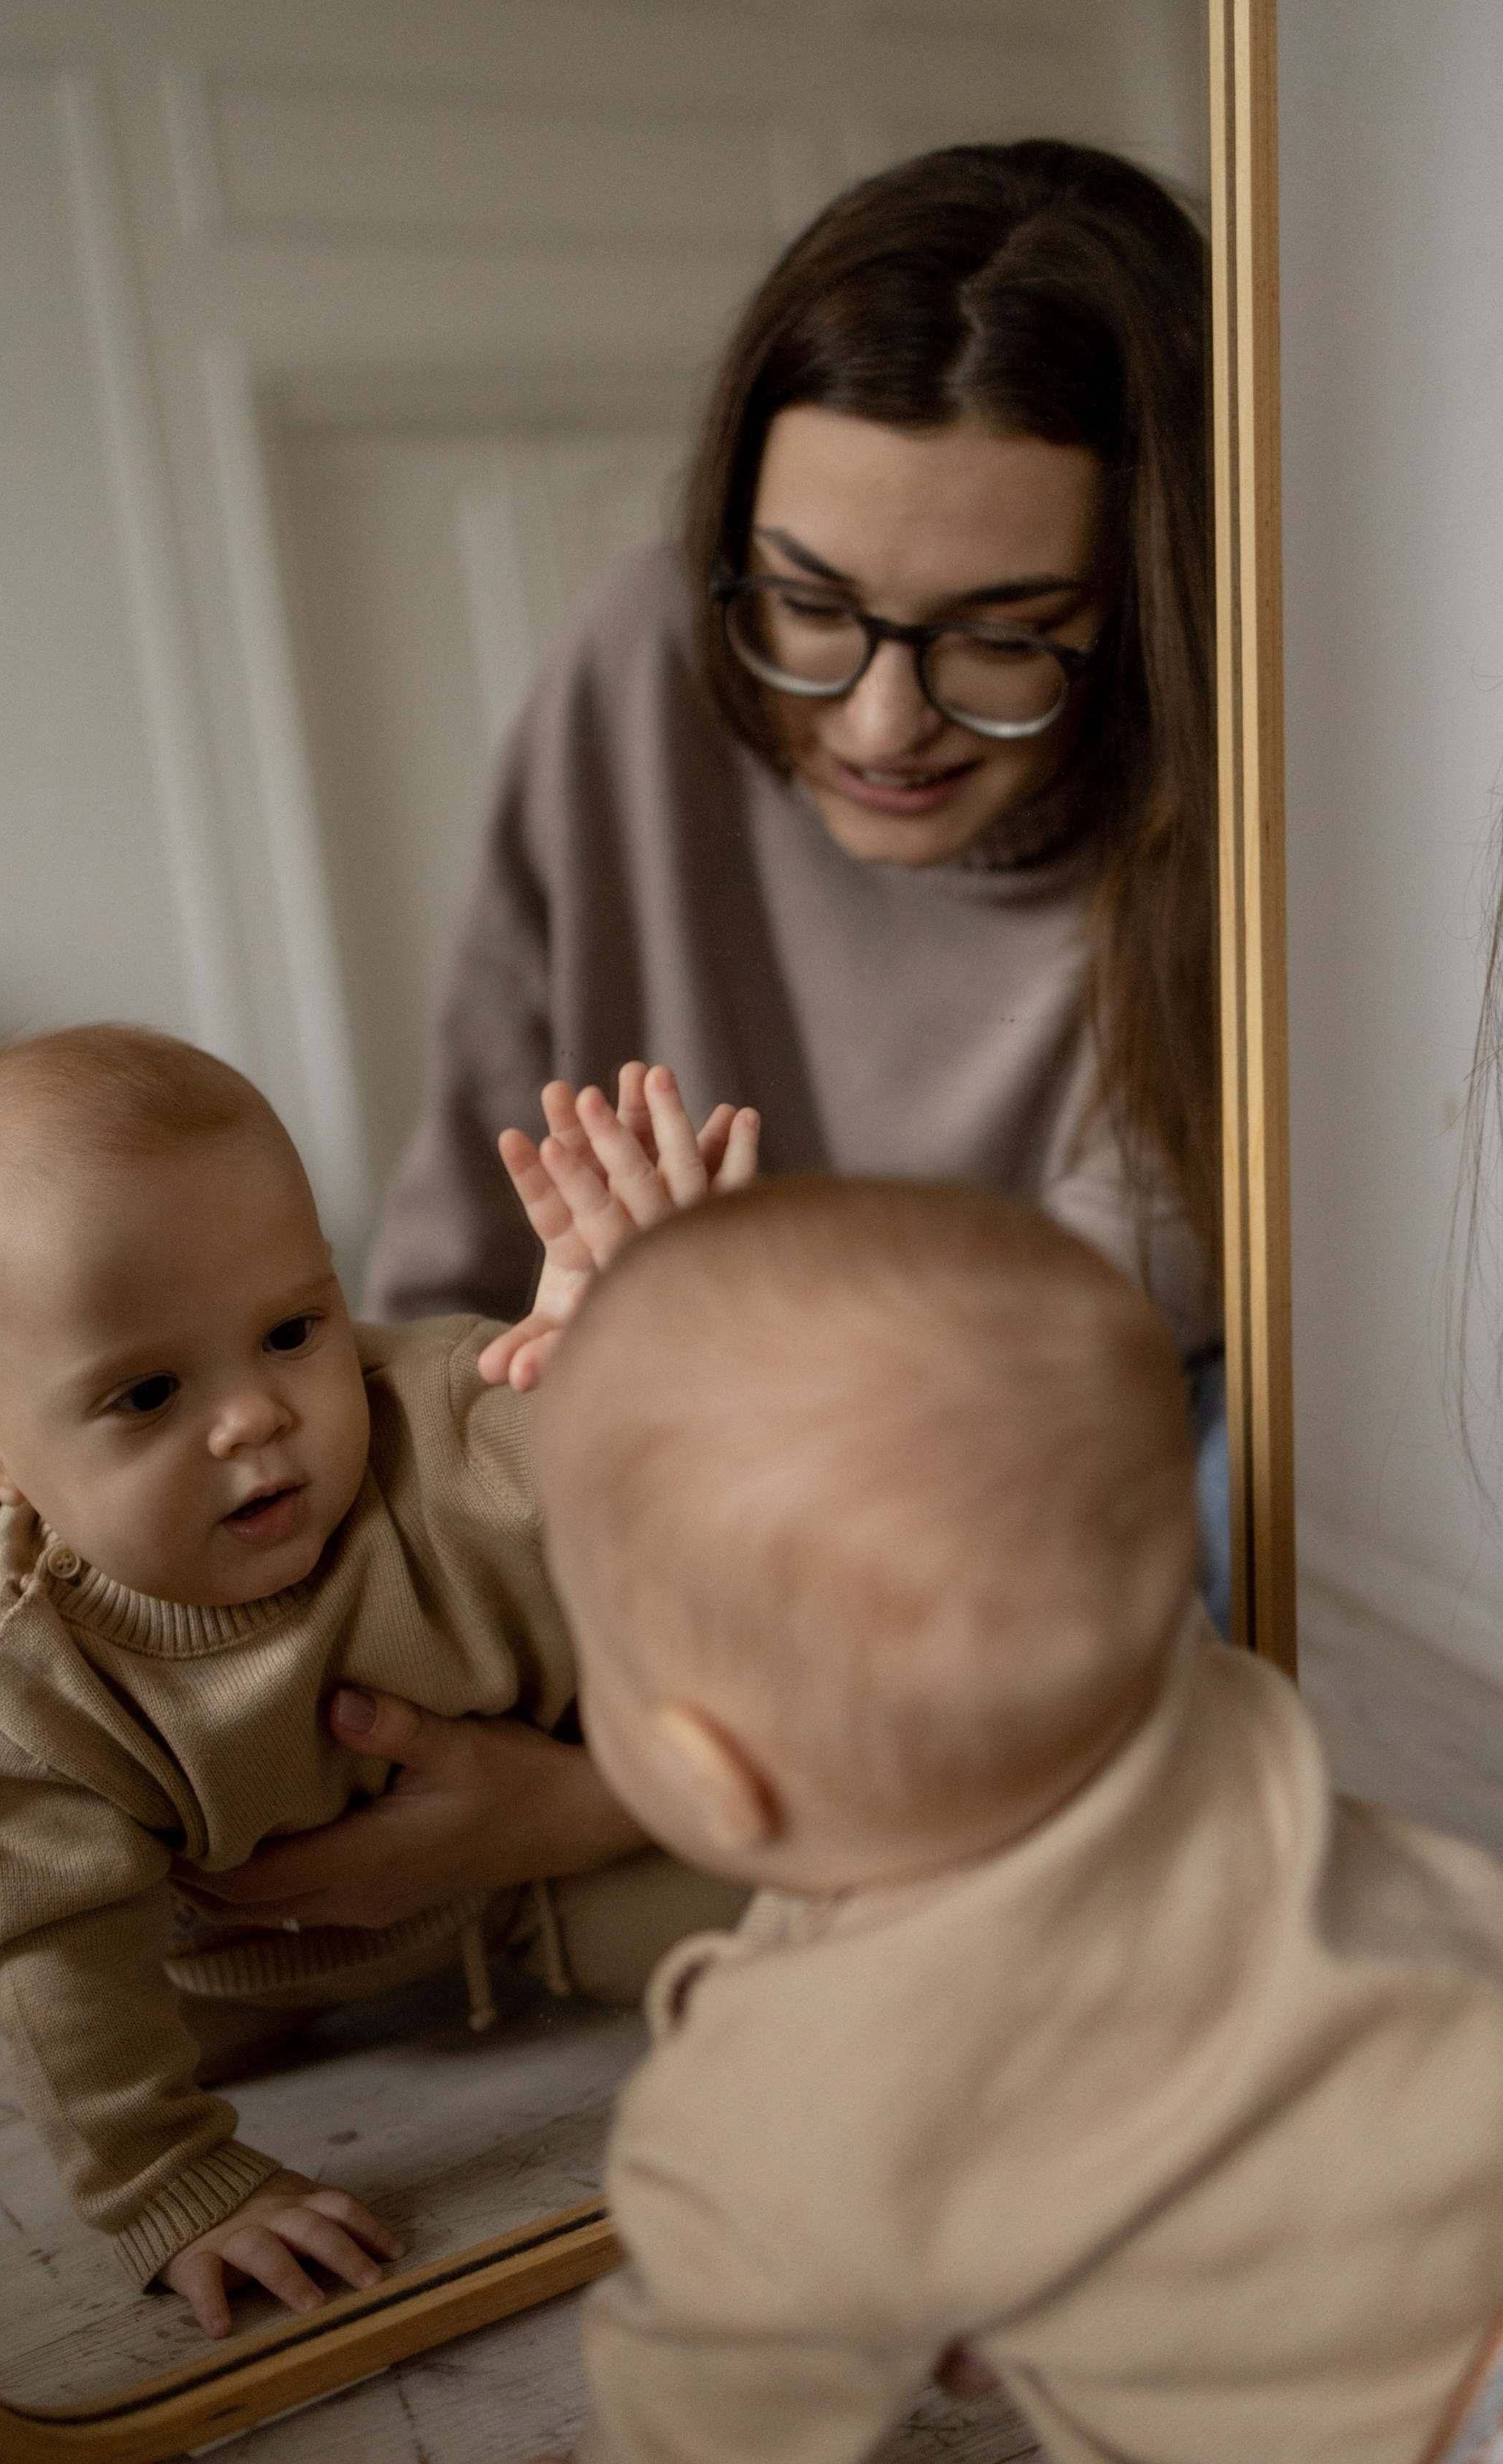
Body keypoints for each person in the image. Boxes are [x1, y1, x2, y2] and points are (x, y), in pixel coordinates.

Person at [181, 138, 1228, 1950]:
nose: (880, 723)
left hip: (997, 1479)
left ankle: (690, 1828)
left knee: (1213, 1506)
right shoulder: (637, 658)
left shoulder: (1222, 800)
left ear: (1141, 612)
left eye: (1004, 640)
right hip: (631, 1462)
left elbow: (1052, 1396)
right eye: (805, 604)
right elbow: (461, 1224)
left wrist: (598, 1798)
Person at [528, 1179, 1503, 2464]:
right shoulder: (1157, 1676)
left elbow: (699, 2428)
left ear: (706, 1770)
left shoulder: (783, 2122)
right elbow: (1006, 1498)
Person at [0, 1025, 750, 2338]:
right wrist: (170, 2181)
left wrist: (625, 1366)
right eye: (147, 1393)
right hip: (226, 1980)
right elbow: (51, 1957)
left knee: (833, 1915)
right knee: (74, 2020)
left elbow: (614, 1488)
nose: (256, 1414)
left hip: (526, 1883)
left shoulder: (432, 1422)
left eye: (292, 1329)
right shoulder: (29, 1704)